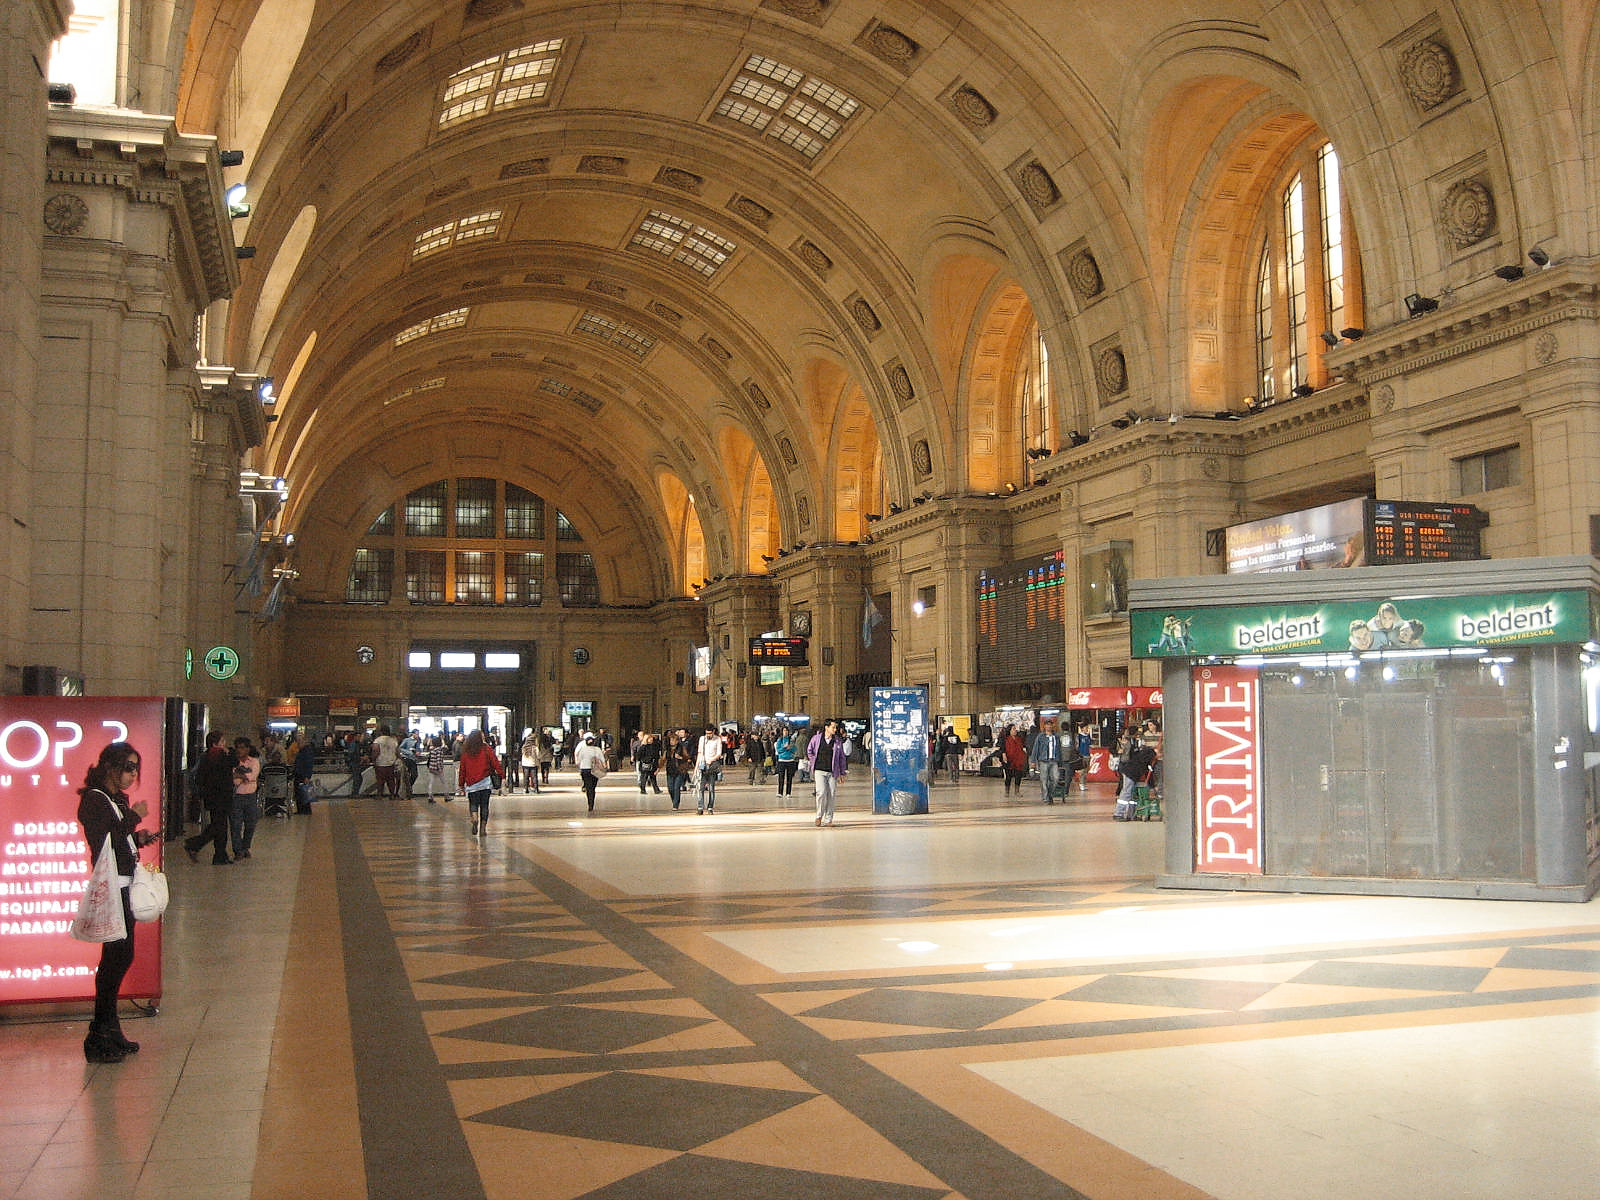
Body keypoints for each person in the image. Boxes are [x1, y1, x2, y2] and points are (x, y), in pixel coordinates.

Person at [76, 741, 157, 1063]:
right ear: (109, 767)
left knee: (122, 957)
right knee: (114, 960)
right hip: (111, 889)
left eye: (135, 768)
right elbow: (103, 840)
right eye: (127, 767)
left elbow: (118, 836)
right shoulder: (94, 800)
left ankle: (110, 1028)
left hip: (125, 883)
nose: (132, 775)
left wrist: (136, 837)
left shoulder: (114, 799)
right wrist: (133, 819)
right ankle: (98, 1034)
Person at [184, 731, 236, 864]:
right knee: (219, 826)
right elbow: (234, 763)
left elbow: (200, 777)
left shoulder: (205, 757)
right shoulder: (224, 755)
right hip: (223, 796)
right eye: (222, 741)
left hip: (211, 796)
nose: (225, 744)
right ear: (215, 744)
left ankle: (220, 855)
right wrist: (229, 752)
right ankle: (194, 844)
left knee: (219, 825)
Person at [457, 729, 502, 836]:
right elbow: (495, 762)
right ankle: (483, 828)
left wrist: (461, 784)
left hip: (472, 783)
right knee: (484, 805)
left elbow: (462, 769)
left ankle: (474, 818)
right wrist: (502, 775)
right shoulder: (486, 749)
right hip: (485, 782)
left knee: (473, 804)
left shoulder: (466, 751)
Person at [806, 718, 849, 827]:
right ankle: (819, 815)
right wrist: (812, 761)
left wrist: (843, 772)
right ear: (826, 727)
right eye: (833, 727)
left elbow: (842, 757)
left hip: (832, 772)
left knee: (831, 794)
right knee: (821, 793)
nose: (835, 729)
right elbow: (809, 751)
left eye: (835, 727)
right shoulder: (816, 738)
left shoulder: (837, 741)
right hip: (819, 770)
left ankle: (828, 819)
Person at [230, 737, 262, 860]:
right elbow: (234, 779)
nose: (240, 750)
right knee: (236, 825)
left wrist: (241, 775)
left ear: (248, 749)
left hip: (250, 796)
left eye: (242, 747)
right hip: (237, 796)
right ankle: (238, 850)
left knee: (250, 824)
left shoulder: (254, 762)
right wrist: (241, 777)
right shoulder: (233, 762)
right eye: (237, 747)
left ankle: (245, 846)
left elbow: (252, 776)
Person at [1114, 732, 1157, 820]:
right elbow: (1148, 772)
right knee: (1126, 792)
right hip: (1130, 773)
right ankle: (1119, 813)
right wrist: (1152, 786)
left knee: (1133, 794)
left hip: (1130, 772)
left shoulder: (1145, 754)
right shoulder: (1148, 758)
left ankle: (1132, 815)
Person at [1030, 719, 1065, 805]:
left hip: (1054, 761)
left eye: (1050, 725)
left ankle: (1050, 794)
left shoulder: (1056, 737)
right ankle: (1046, 798)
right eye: (1047, 725)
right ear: (1044, 726)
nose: (1049, 726)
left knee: (1056, 778)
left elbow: (1059, 749)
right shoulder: (1040, 737)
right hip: (1043, 761)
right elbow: (1035, 748)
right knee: (1044, 780)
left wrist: (1060, 761)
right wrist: (1033, 761)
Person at [573, 731, 608, 813]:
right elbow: (603, 760)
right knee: (593, 787)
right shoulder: (597, 750)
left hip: (585, 770)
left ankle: (590, 802)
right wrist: (605, 767)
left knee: (588, 787)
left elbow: (578, 761)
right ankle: (591, 802)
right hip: (595, 771)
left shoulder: (583, 750)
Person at [694, 725, 724, 814]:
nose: (708, 735)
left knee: (711, 788)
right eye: (706, 733)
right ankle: (700, 807)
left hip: (712, 766)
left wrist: (712, 759)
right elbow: (699, 753)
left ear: (713, 732)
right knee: (701, 788)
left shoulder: (718, 739)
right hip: (702, 766)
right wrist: (696, 767)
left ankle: (710, 807)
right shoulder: (702, 739)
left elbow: (719, 753)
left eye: (710, 733)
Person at [664, 729, 693, 810]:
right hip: (670, 770)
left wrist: (680, 757)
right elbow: (663, 759)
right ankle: (674, 800)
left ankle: (675, 805)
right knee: (670, 788)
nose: (671, 742)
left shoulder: (681, 748)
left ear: (677, 741)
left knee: (676, 787)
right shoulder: (668, 749)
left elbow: (687, 757)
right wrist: (658, 768)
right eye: (671, 740)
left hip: (679, 770)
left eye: (673, 740)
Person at [370, 724, 401, 799]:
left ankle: (379, 795)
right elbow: (397, 752)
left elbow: (375, 751)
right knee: (391, 780)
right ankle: (392, 795)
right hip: (391, 763)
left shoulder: (378, 740)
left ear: (381, 732)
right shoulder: (393, 740)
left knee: (380, 780)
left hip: (380, 763)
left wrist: (373, 759)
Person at [1000, 724, 1030, 796]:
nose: (1015, 730)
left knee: (1018, 775)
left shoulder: (1019, 739)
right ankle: (1007, 791)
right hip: (1009, 759)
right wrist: (1004, 755)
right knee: (1008, 776)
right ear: (1009, 730)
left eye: (1015, 729)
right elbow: (1002, 749)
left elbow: (1023, 747)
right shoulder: (1006, 739)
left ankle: (1017, 791)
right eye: (1013, 729)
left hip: (1018, 759)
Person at [292, 736, 317, 813]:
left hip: (302, 775)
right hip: (299, 774)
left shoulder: (307, 751)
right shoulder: (302, 750)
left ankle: (304, 810)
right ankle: (301, 809)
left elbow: (309, 764)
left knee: (303, 792)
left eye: (300, 742)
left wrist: (307, 776)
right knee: (300, 793)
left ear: (305, 742)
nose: (298, 744)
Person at [773, 727, 801, 796]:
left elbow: (795, 749)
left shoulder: (791, 740)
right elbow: (778, 750)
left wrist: (790, 748)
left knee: (789, 777)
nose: (785, 732)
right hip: (782, 760)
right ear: (782, 732)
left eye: (786, 731)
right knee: (781, 777)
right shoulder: (780, 740)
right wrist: (784, 748)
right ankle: (780, 792)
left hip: (790, 760)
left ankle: (788, 792)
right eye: (784, 731)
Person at [398, 728, 421, 798]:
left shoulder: (418, 741)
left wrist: (418, 752)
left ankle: (409, 787)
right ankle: (407, 790)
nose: (417, 735)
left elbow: (418, 749)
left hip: (414, 759)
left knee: (414, 775)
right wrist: (409, 752)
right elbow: (400, 748)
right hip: (407, 759)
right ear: (413, 734)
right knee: (406, 776)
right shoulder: (407, 740)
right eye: (416, 734)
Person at [519, 728, 541, 793]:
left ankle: (526, 789)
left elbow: (522, 754)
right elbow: (538, 755)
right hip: (533, 763)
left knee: (525, 776)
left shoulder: (524, 747)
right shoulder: (535, 748)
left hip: (525, 764)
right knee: (534, 776)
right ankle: (536, 789)